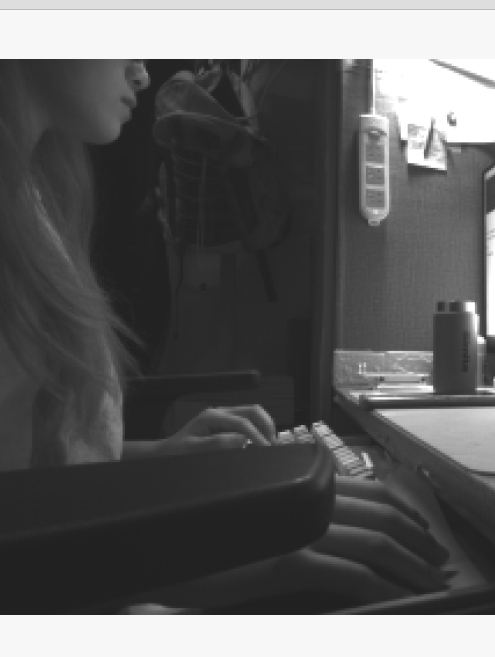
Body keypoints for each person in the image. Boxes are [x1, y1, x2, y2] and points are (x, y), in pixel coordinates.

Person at [0, 60, 450, 609]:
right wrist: (229, 552)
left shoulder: (33, 197)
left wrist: (156, 456)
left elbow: (30, 465)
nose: (141, 74)